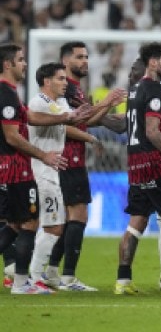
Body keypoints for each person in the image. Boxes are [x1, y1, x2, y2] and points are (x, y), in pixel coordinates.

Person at [40, 41, 126, 290]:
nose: (85, 61)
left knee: (70, 217)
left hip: (73, 157)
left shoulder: (75, 89)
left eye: (87, 57)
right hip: (66, 157)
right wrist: (106, 102)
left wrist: (107, 108)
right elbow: (69, 123)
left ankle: (52, 272)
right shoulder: (64, 89)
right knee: (77, 215)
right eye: (79, 57)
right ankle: (65, 276)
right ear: (66, 61)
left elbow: (86, 121)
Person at [28, 62, 108, 292]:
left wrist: (85, 113)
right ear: (47, 81)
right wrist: (104, 104)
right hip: (41, 171)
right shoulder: (39, 102)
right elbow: (66, 118)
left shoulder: (60, 102)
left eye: (65, 78)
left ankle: (32, 275)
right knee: (52, 226)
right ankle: (34, 277)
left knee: (46, 224)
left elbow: (71, 119)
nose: (66, 83)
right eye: (60, 79)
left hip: (52, 170)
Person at [0, 44, 71, 294]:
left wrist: (65, 118)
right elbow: (11, 136)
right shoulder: (6, 93)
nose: (25, 64)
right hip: (15, 169)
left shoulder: (11, 92)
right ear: (7, 64)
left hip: (12, 168)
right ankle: (21, 283)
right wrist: (43, 155)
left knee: (14, 225)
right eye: (20, 60)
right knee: (30, 223)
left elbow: (29, 118)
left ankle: (22, 281)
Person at [115, 42, 161, 295]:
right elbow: (152, 132)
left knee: (136, 222)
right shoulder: (155, 89)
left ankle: (123, 280)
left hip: (136, 163)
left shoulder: (135, 89)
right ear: (153, 62)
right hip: (155, 162)